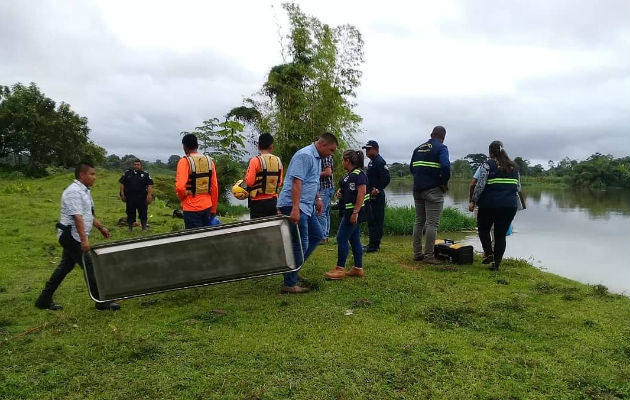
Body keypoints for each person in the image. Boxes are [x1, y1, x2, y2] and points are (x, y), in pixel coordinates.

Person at [34, 162, 119, 311]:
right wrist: (84, 240)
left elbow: (88, 215)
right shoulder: (73, 191)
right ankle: (101, 302)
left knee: (65, 266)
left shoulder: (85, 191)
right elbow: (78, 218)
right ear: (82, 175)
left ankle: (43, 299)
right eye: (92, 174)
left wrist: (101, 227)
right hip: (70, 235)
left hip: (74, 235)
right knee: (89, 265)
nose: (95, 177)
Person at [277, 132, 338, 293]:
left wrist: (317, 198)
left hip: (307, 205)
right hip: (294, 205)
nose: (331, 154)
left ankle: (294, 270)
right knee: (300, 243)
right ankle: (289, 283)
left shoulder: (317, 157)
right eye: (331, 150)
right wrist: (295, 209)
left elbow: (312, 181)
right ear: (323, 144)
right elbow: (297, 182)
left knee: (317, 235)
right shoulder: (305, 155)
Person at [468, 141, 520, 271]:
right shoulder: (514, 167)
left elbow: (479, 185)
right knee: (500, 235)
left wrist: (473, 201)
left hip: (489, 205)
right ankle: (496, 265)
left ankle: (489, 254)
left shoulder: (487, 165)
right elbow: (518, 187)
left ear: (490, 152)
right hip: (510, 205)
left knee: (483, 230)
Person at [324, 150, 369, 280]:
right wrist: (340, 193)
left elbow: (361, 193)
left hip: (353, 212)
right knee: (354, 239)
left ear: (348, 161)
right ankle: (357, 268)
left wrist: (355, 212)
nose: (342, 162)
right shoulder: (347, 176)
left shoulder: (359, 175)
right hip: (347, 211)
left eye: (343, 160)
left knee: (341, 238)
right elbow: (347, 189)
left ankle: (340, 268)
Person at [410, 126, 451, 264]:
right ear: (443, 137)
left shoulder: (418, 149)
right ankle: (429, 256)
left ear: (431, 134)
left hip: (417, 189)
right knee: (432, 223)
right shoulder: (441, 148)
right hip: (433, 189)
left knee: (419, 221)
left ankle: (417, 253)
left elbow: (412, 168)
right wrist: (443, 182)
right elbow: (445, 166)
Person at [175, 134, 219, 229]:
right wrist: (213, 208)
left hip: (191, 207)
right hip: (207, 206)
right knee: (207, 236)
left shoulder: (184, 161)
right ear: (197, 145)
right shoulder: (209, 161)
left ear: (184, 146)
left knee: (194, 240)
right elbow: (214, 187)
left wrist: (182, 198)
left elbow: (179, 187)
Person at [244, 133, 284, 219]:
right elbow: (280, 183)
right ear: (271, 146)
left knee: (257, 229)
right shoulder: (278, 161)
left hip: (257, 203)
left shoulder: (255, 161)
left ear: (258, 146)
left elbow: (250, 182)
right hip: (273, 202)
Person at [362, 140, 391, 253]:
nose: (367, 151)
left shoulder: (380, 161)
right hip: (370, 196)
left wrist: (378, 189)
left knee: (377, 220)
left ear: (376, 149)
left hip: (377, 196)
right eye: (366, 149)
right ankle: (372, 243)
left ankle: (375, 245)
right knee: (371, 219)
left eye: (369, 149)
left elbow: (386, 178)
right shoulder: (371, 162)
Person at [119, 159, 154, 231]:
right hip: (130, 197)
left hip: (141, 198)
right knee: (130, 213)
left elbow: (149, 185)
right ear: (133, 165)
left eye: (138, 165)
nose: (136, 166)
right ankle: (130, 228)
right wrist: (122, 194)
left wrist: (149, 195)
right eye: (135, 164)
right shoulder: (127, 173)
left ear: (141, 166)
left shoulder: (145, 174)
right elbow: (122, 183)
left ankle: (144, 228)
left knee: (143, 213)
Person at [317, 154, 334, 244]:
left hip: (325, 188)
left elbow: (328, 172)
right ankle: (325, 236)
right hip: (328, 188)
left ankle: (323, 237)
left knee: (321, 212)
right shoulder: (327, 156)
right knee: (326, 213)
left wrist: (314, 174)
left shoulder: (325, 157)